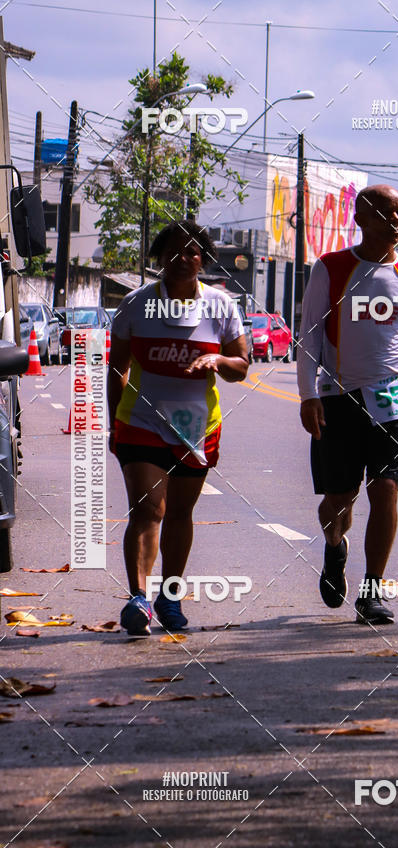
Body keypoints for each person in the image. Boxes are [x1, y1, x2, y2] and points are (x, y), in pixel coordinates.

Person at [297, 184, 398, 625]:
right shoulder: (332, 268)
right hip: (338, 397)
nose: (395, 221)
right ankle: (335, 546)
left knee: (386, 490)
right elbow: (310, 338)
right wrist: (308, 395)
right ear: (360, 219)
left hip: (393, 399)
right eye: (385, 213)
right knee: (339, 500)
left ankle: (372, 591)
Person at [108, 220, 248, 635]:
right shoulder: (135, 304)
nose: (183, 259)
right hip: (141, 422)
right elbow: (118, 366)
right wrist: (115, 424)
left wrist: (218, 361)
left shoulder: (221, 306)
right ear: (159, 258)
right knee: (149, 509)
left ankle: (170, 597)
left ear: (203, 259)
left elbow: (241, 366)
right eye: (173, 251)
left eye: (192, 252)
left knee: (181, 512)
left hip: (197, 427)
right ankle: (138, 599)